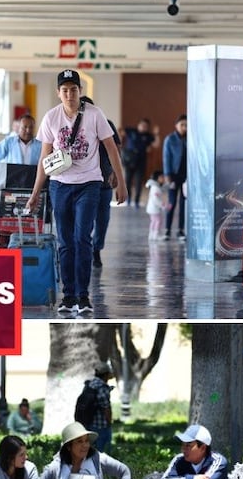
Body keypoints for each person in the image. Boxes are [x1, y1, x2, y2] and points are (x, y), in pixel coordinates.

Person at [26, 69, 128, 316]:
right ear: (58, 93)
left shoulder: (95, 115)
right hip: (59, 185)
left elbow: (111, 148)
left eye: (74, 89)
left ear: (80, 92)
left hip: (89, 185)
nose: (69, 94)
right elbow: (44, 158)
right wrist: (35, 191)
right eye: (65, 90)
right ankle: (68, 295)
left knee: (83, 239)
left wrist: (121, 182)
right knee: (65, 242)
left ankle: (83, 295)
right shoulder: (51, 118)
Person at [80, 96, 121, 268]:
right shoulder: (74, 126)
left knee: (102, 219)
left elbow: (116, 148)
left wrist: (114, 171)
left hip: (104, 179)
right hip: (83, 181)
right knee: (84, 218)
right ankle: (84, 249)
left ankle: (96, 249)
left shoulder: (106, 123)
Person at [121, 118, 158, 209]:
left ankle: (137, 201)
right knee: (128, 182)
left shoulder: (148, 136)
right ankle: (128, 199)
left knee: (138, 183)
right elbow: (121, 133)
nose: (143, 127)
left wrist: (156, 134)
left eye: (146, 126)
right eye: (142, 125)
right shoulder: (131, 131)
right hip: (129, 161)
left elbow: (156, 144)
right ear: (138, 125)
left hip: (140, 162)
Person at [163, 114, 188, 241]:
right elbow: (166, 158)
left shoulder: (191, 138)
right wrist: (167, 175)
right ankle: (167, 230)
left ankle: (180, 230)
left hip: (186, 176)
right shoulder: (170, 139)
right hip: (173, 175)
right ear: (176, 126)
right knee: (171, 202)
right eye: (182, 125)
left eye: (186, 125)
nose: (184, 127)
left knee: (184, 203)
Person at [82, 362, 115, 452]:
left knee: (91, 451)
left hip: (88, 424)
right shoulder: (102, 387)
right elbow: (106, 408)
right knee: (103, 453)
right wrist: (109, 423)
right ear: (106, 374)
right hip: (101, 425)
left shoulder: (89, 385)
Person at [145, 170, 170, 241]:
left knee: (153, 221)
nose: (163, 179)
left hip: (153, 208)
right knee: (158, 221)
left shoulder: (155, 187)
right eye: (161, 177)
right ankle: (156, 235)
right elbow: (156, 200)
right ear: (157, 178)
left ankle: (151, 234)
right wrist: (163, 205)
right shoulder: (155, 188)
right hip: (154, 209)